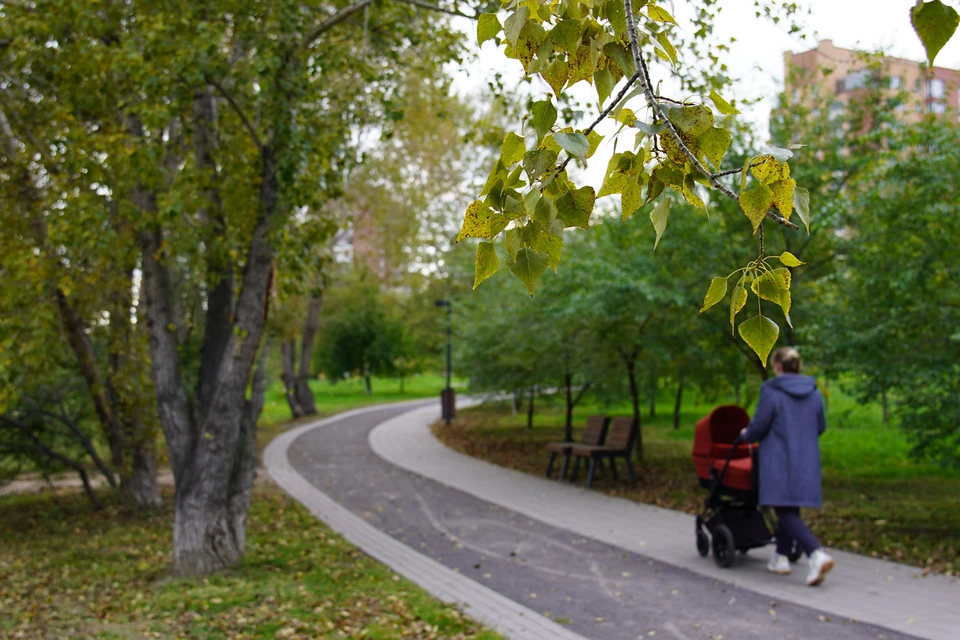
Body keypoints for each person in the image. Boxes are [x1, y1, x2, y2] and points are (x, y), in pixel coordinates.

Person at [739, 346, 834, 586]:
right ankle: (780, 557)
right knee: (789, 506)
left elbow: (760, 425)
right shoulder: (814, 392)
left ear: (778, 367)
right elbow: (820, 426)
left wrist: (746, 435)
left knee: (782, 508)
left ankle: (816, 553)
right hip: (806, 458)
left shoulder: (772, 390)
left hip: (779, 458)